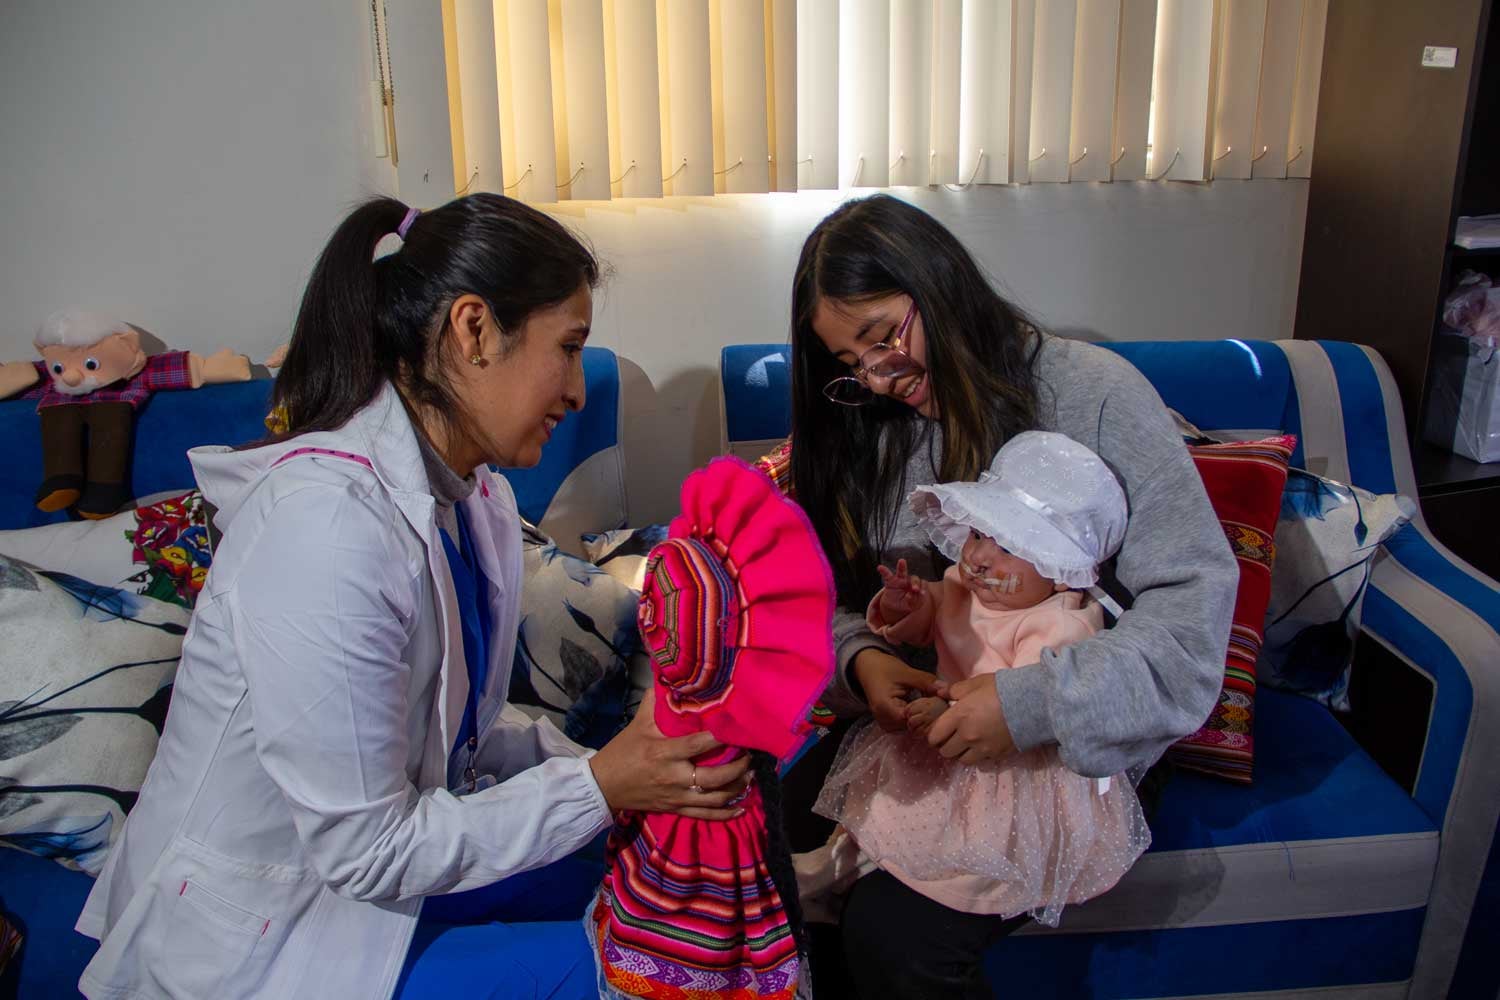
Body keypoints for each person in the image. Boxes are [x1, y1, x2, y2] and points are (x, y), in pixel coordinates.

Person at [74, 193, 750, 1000]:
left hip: (374, 890)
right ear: (471, 331)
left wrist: (626, 771)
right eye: (567, 349)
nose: (575, 390)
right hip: (265, 941)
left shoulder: (477, 501)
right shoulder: (324, 527)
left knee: (661, 900)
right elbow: (365, 849)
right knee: (660, 972)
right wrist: (600, 784)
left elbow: (456, 725)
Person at [787, 194, 1239, 999]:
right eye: (851, 366)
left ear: (941, 283)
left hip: (1074, 739)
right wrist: (864, 663)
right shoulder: (866, 424)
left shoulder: (1091, 394)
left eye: (884, 337)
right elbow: (829, 600)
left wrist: (1028, 705)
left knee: (895, 937)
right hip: (927, 724)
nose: (880, 377)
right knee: (763, 858)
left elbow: (1187, 636)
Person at [807, 430, 1150, 928]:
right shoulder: (963, 586)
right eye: (979, 534)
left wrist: (952, 711)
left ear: (1060, 572)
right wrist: (907, 604)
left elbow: (1026, 705)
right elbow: (933, 621)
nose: (979, 557)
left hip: (1006, 764)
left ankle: (865, 875)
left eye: (1007, 547)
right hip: (940, 730)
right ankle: (841, 863)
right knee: (881, 795)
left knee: (955, 839)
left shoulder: (1060, 626)